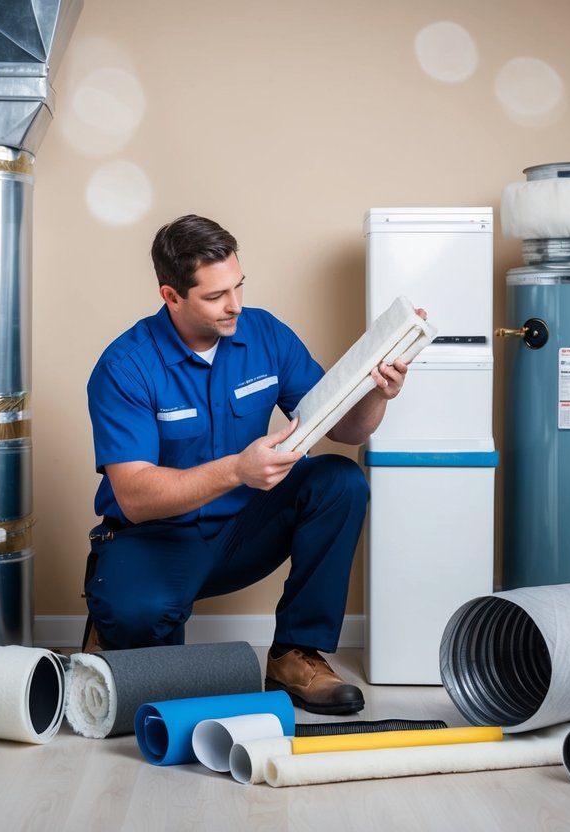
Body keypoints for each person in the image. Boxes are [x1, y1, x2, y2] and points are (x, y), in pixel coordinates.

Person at [83, 214, 420, 714]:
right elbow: (133, 497)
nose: (235, 304)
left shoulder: (265, 335)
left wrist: (379, 393)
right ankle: (111, 624)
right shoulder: (126, 366)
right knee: (140, 646)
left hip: (244, 529)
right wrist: (237, 471)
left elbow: (345, 431)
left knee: (338, 481)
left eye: (238, 286)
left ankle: (294, 656)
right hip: (155, 537)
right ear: (171, 296)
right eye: (216, 296)